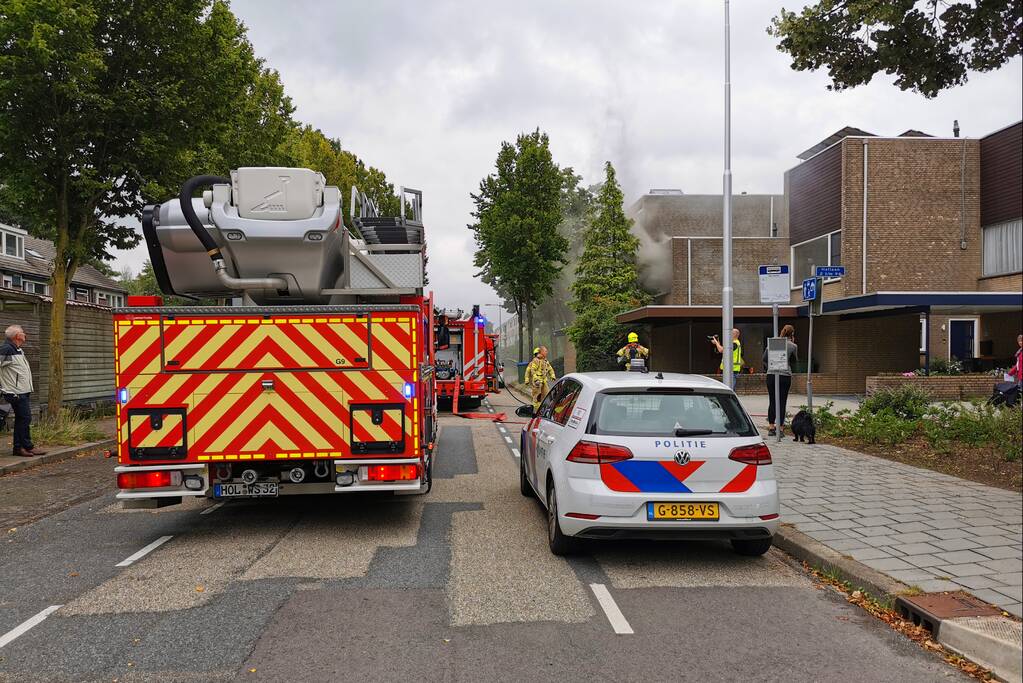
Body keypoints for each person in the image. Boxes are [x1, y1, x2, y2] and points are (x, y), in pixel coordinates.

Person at [0, 325, 46, 458]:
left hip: (22, 391)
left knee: (22, 419)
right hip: (15, 392)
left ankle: (20, 447)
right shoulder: (7, 349)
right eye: (22, 332)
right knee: (25, 418)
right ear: (17, 336)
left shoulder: (17, 349)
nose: (25, 334)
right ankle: (25, 446)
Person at [763, 324, 799, 436]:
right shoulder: (793, 346)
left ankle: (771, 426)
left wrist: (769, 369)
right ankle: (781, 427)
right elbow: (794, 361)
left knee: (772, 400)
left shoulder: (772, 344)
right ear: (792, 334)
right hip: (785, 376)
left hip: (771, 375)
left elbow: (764, 359)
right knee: (782, 401)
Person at [524, 346, 556, 411]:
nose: (546, 352)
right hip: (537, 382)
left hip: (544, 381)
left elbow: (550, 369)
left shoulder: (545, 361)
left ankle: (546, 408)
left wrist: (552, 375)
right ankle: (536, 409)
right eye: (545, 351)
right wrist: (527, 379)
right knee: (537, 396)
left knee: (547, 394)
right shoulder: (535, 361)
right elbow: (529, 371)